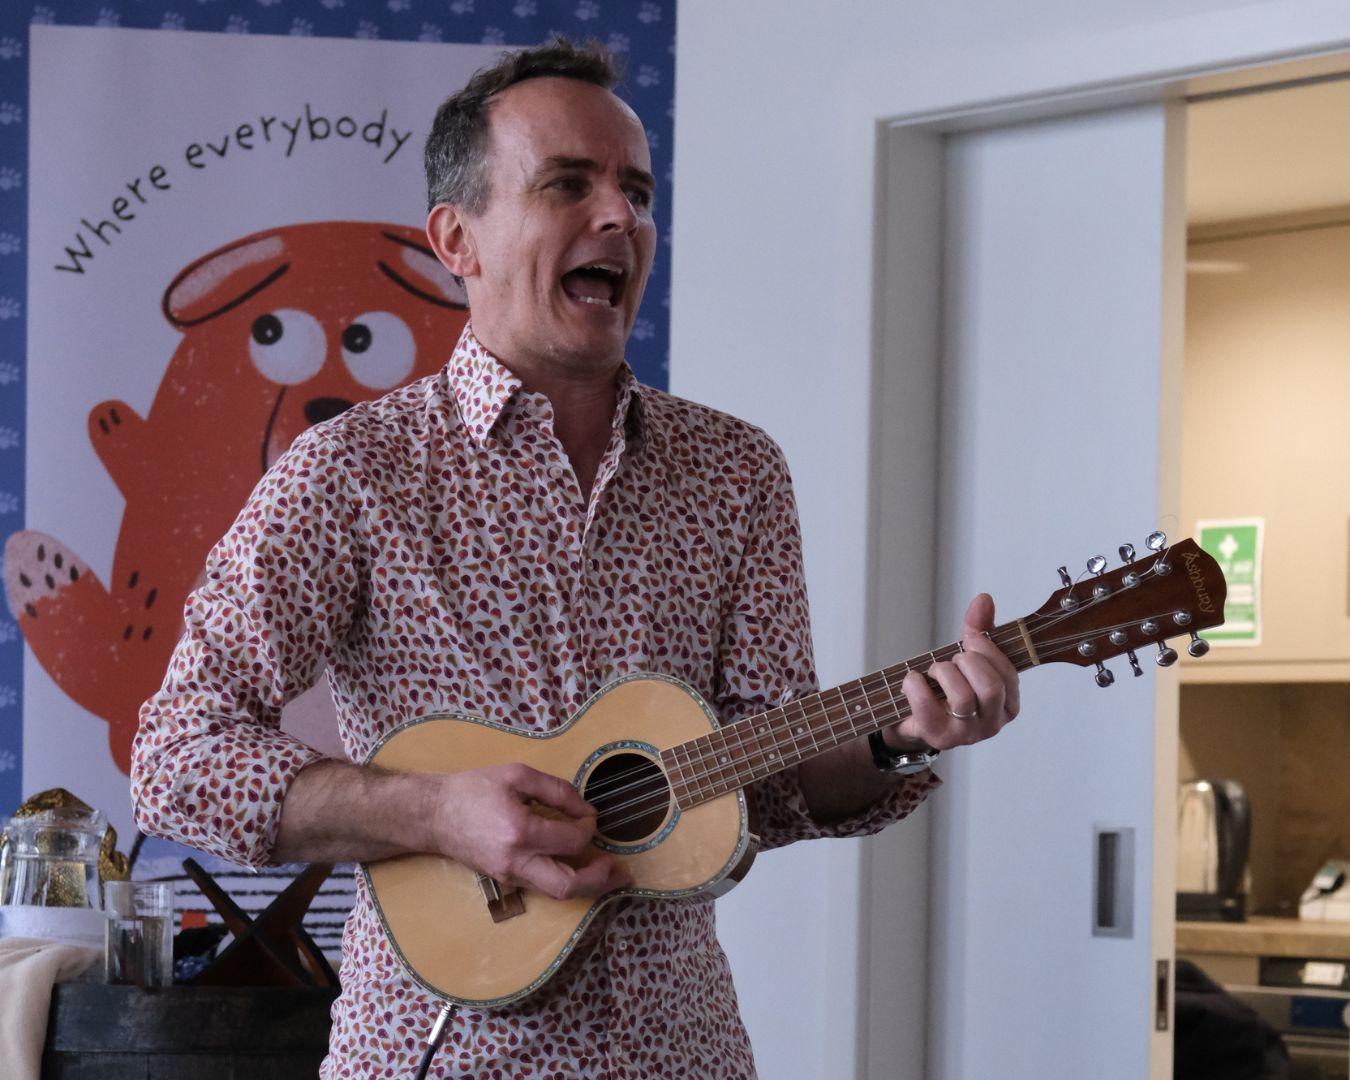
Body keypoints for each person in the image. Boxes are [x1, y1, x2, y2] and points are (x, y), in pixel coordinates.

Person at [131, 38, 1020, 1078]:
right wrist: (432, 811)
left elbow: (762, 793)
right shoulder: (351, 471)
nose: (621, 218)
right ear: (457, 238)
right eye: (568, 184)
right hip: (434, 1057)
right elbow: (176, 759)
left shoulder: (736, 472)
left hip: (678, 1053)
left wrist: (899, 740)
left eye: (636, 191)